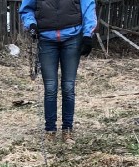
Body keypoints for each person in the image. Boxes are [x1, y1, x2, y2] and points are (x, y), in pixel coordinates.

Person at [19, 0, 97, 144]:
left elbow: (88, 7)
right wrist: (31, 25)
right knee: (50, 87)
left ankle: (67, 130)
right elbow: (26, 9)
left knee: (68, 86)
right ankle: (50, 130)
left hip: (73, 37)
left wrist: (87, 34)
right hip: (46, 39)